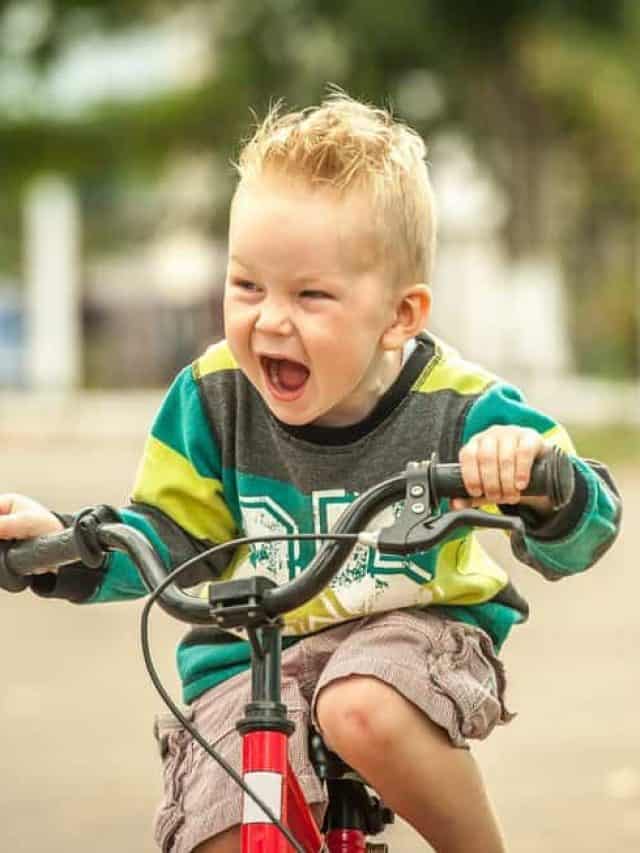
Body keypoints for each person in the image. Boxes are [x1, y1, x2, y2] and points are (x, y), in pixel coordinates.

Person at [0, 92, 621, 853]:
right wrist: (65, 543)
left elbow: (587, 525)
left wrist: (536, 485)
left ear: (399, 316)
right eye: (247, 286)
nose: (268, 320)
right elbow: (166, 535)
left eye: (311, 295)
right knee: (215, 821)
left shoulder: (460, 407)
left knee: (360, 705)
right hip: (250, 659)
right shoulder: (212, 398)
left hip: (410, 637)